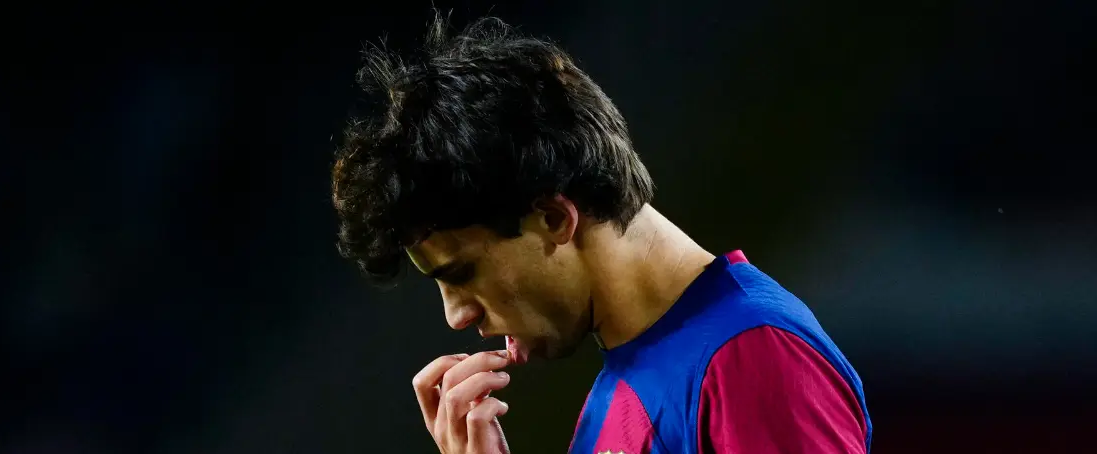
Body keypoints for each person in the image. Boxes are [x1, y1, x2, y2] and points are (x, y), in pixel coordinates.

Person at [330, 11, 872, 454]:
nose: (456, 315)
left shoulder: (748, 356)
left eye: (462, 273)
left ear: (554, 218)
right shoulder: (622, 385)